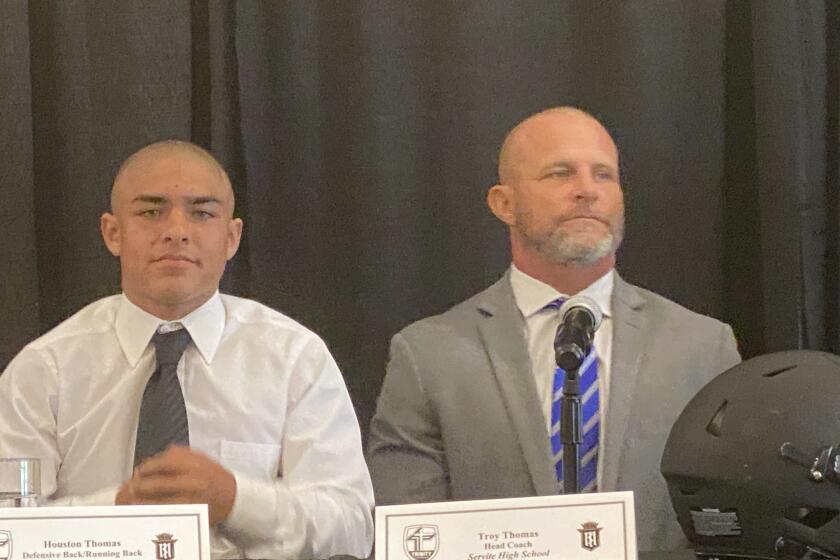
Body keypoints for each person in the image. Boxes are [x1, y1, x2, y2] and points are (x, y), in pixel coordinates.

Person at [367, 107, 741, 552]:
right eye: (560, 173)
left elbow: (735, 522)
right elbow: (412, 531)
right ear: (503, 203)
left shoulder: (703, 347)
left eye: (603, 175)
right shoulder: (428, 355)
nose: (586, 191)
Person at [0, 140, 374, 559]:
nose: (176, 230)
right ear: (113, 233)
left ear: (231, 238)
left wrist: (235, 501)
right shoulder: (44, 370)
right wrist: (116, 513)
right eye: (150, 211)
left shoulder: (295, 359)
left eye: (202, 213)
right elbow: (6, 530)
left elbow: (353, 528)